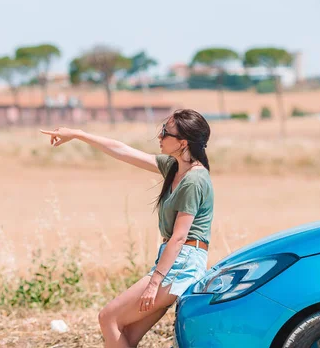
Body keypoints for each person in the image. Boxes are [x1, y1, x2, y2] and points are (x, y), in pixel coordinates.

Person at [40, 109, 214, 348]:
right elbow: (123, 151)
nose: (160, 136)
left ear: (183, 142)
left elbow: (180, 237)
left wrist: (154, 283)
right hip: (173, 261)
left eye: (165, 132)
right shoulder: (174, 167)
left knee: (108, 318)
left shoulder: (194, 180)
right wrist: (78, 134)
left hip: (181, 263)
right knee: (126, 335)